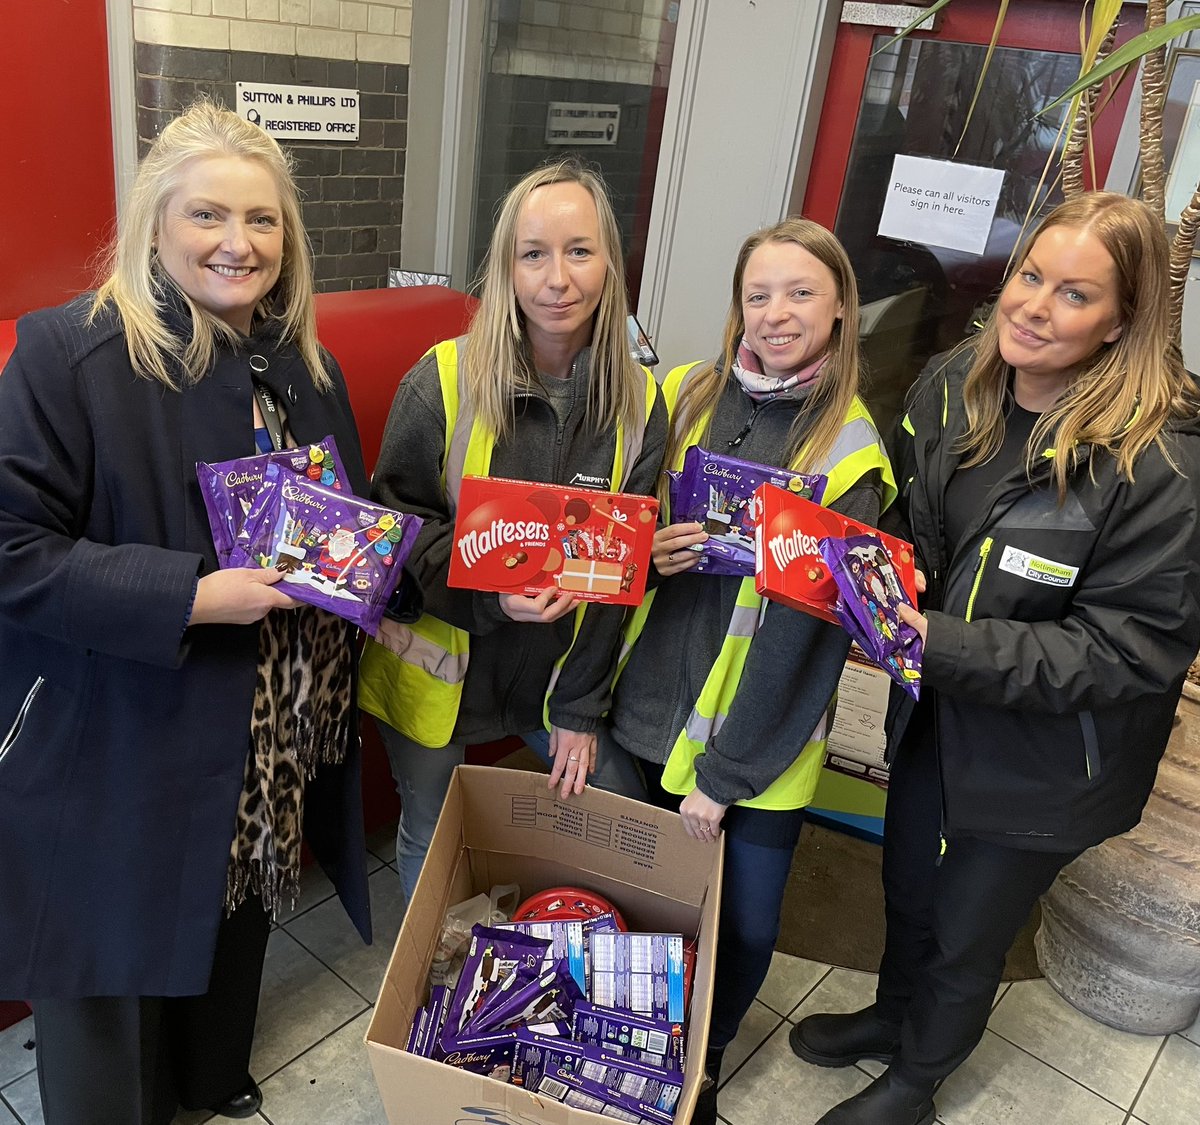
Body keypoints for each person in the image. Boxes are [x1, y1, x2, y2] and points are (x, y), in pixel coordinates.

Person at [790, 192, 1200, 1125]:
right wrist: (858, 564)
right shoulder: (951, 385)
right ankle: (894, 1016)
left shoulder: (1161, 465)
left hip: (1046, 761)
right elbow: (913, 526)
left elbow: (1125, 650)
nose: (1034, 305)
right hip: (938, 714)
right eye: (1030, 276)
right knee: (909, 884)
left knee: (970, 929)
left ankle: (916, 1081)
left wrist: (934, 639)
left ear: (1123, 321)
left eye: (1075, 294)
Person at [0, 101, 372, 1125]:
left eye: (261, 221)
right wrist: (194, 595)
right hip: (118, 722)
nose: (237, 243)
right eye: (208, 214)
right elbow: (9, 546)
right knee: (114, 950)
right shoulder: (65, 354)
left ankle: (208, 1077)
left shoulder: (302, 360)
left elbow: (346, 516)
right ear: (154, 225)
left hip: (267, 718)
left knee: (235, 898)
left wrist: (409, 575)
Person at [600, 218, 897, 1125]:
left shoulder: (849, 451)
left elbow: (805, 642)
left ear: (841, 306)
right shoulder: (686, 392)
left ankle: (705, 1059)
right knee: (645, 905)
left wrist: (727, 775)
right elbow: (620, 526)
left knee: (747, 925)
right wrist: (654, 547)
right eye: (757, 294)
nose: (775, 314)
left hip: (758, 745)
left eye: (801, 293)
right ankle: (635, 1050)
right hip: (645, 705)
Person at [358, 159, 667, 906]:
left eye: (579, 250)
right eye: (534, 254)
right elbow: (392, 533)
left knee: (624, 805)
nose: (557, 278)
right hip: (438, 675)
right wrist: (496, 599)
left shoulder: (642, 403)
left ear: (610, 265)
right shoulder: (442, 380)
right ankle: (428, 992)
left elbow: (622, 574)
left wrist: (580, 711)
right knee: (431, 839)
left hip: (554, 683)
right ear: (507, 268)